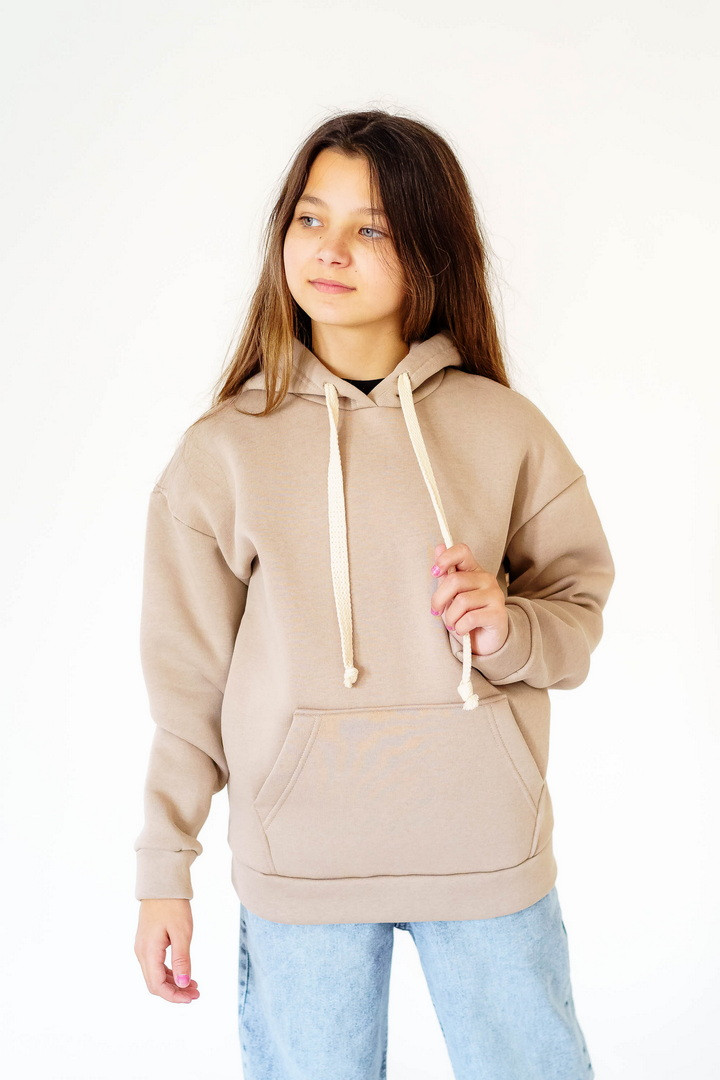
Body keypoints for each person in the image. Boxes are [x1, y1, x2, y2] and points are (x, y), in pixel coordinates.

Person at [133, 108, 614, 1080]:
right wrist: (163, 870)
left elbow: (578, 609)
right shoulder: (223, 452)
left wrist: (510, 628)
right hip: (301, 861)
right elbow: (189, 687)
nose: (330, 249)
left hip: (484, 849)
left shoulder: (506, 429)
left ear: (429, 251)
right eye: (311, 219)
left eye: (372, 228)